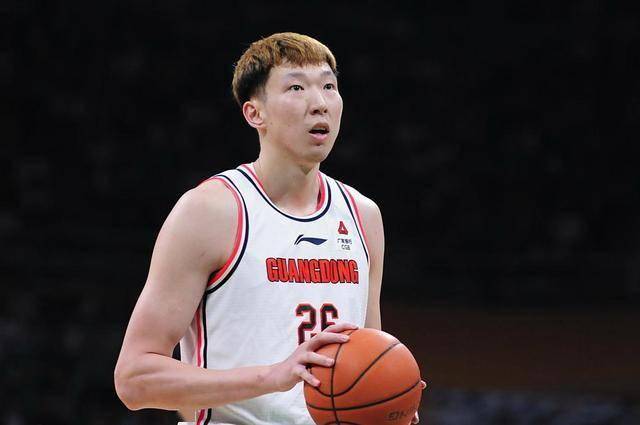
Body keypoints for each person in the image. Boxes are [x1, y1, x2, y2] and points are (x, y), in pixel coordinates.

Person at [114, 32, 425, 424]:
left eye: (329, 87)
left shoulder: (363, 216)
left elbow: (367, 358)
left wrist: (385, 402)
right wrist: (271, 377)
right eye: (296, 87)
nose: (319, 103)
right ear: (254, 114)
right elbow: (135, 379)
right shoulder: (211, 211)